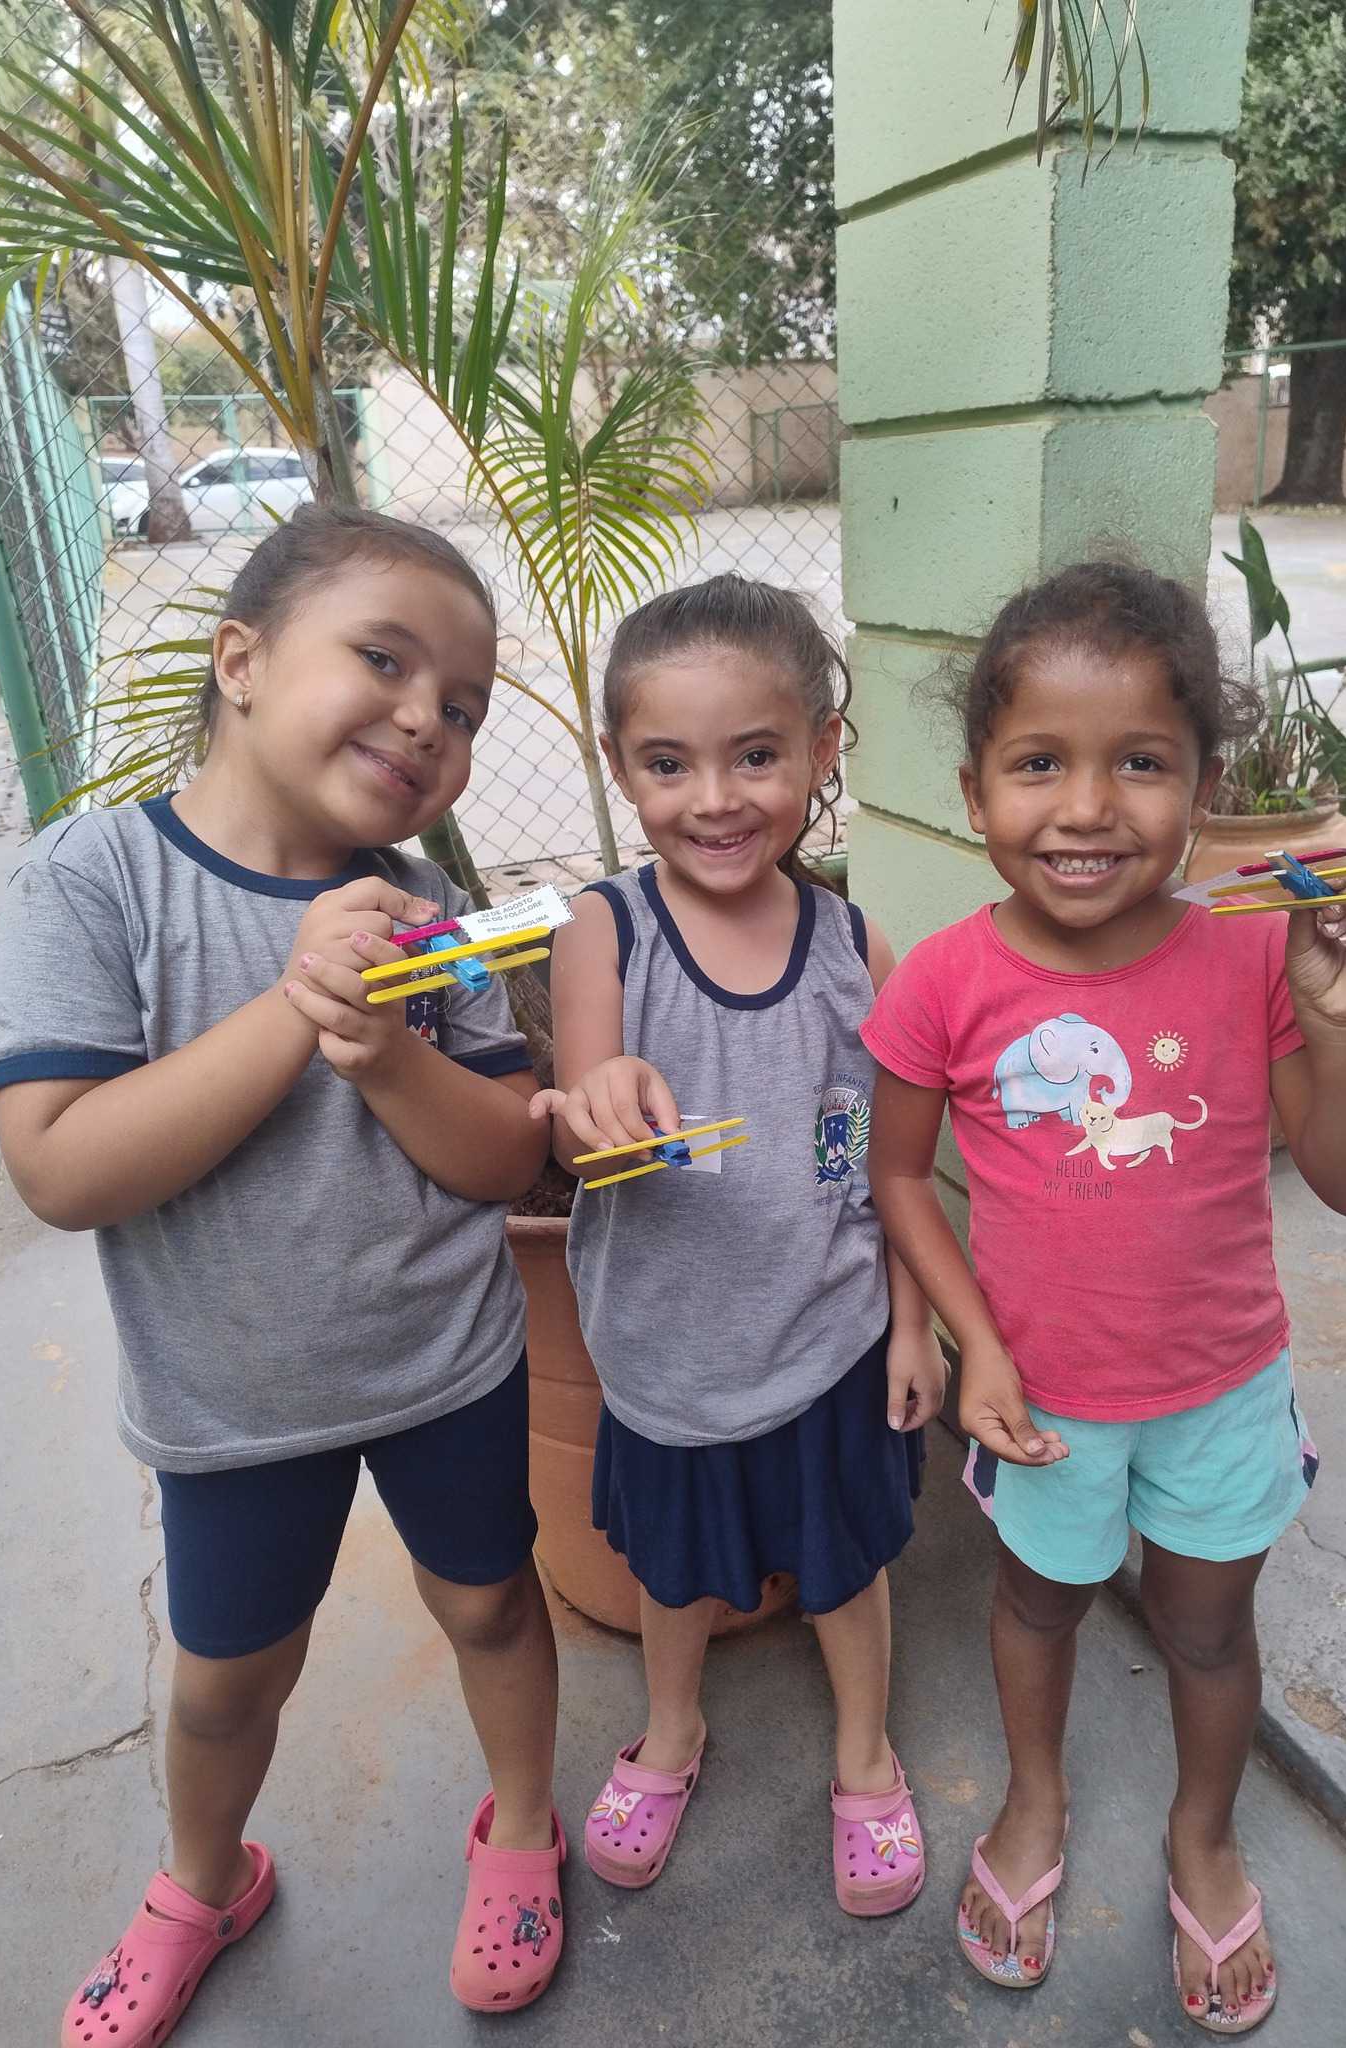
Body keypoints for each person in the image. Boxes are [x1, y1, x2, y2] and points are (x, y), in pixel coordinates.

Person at [0, 506, 568, 2044]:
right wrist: (299, 1006)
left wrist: (388, 1054)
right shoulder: (95, 880)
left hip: (445, 1364)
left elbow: (503, 1155)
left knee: (491, 1603)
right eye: (383, 660)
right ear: (239, 661)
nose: (427, 720)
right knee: (224, 1682)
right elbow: (61, 1168)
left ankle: (521, 1825)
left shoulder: (431, 917)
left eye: (463, 708)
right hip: (230, 1401)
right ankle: (205, 1880)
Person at [861, 562, 1346, 2033]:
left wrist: (1342, 1023)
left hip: (1222, 1386)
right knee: (1036, 1604)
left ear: (1205, 789)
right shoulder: (942, 986)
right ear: (975, 793)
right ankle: (1034, 1798)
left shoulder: (1253, 952)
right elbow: (898, 1176)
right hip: (1038, 1398)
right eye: (1040, 763)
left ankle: (1201, 1832)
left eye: (1142, 764)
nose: (1089, 807)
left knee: (1208, 1629)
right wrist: (972, 1344)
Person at [534, 576, 946, 1915]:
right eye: (669, 764)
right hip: (668, 1358)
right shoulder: (604, 930)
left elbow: (888, 1164)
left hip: (830, 1342)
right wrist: (598, 1102)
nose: (713, 799)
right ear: (621, 766)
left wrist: (915, 1322)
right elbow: (586, 1115)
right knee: (672, 1575)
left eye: (755, 755)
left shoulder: (856, 946)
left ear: (823, 751)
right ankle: (671, 1732)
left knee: (846, 1569)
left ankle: (865, 1753)